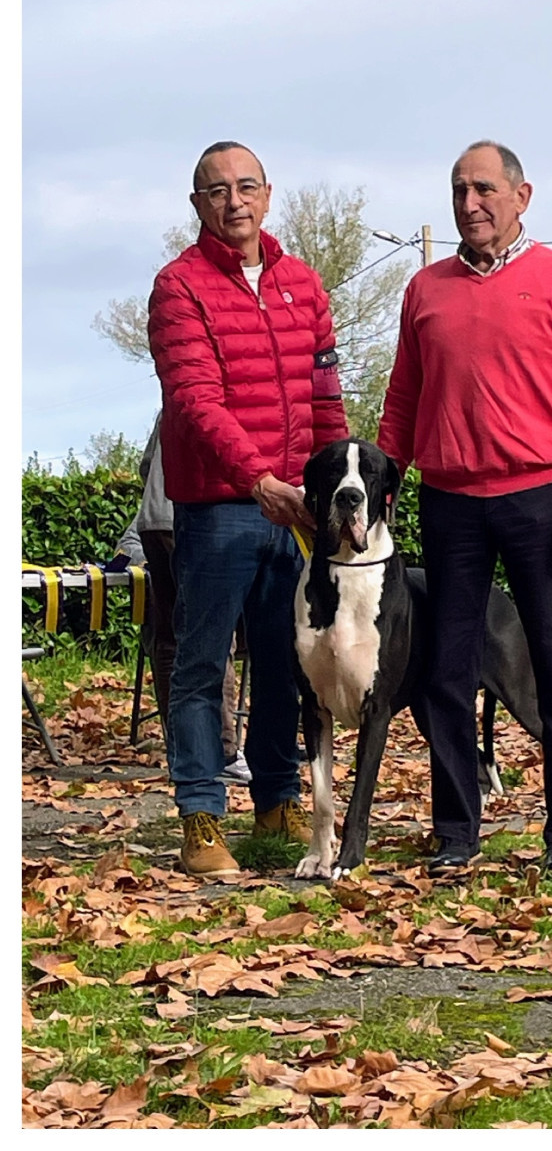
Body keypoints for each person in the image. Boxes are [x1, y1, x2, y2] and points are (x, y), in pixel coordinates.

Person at [378, 140, 552, 879]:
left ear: (522, 196)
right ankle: (457, 831)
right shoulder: (425, 290)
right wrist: (384, 489)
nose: (470, 203)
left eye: (484, 188)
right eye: (458, 190)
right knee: (446, 674)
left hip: (542, 502)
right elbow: (402, 403)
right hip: (449, 504)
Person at [147, 141, 347, 879]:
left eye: (246, 186)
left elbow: (326, 398)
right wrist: (259, 478)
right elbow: (195, 402)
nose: (234, 201)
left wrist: (331, 489)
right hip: (220, 509)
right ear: (197, 205)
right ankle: (201, 814)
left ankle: (277, 801)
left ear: (268, 195)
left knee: (285, 662)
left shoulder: (303, 284)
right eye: (216, 190)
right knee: (201, 665)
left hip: (295, 512)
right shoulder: (179, 287)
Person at [106, 415, 248, 784]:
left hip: (154, 520)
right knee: (216, 635)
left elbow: (146, 464)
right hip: (196, 516)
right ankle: (223, 750)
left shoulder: (174, 399)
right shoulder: (222, 398)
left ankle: (182, 746)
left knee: (171, 638)